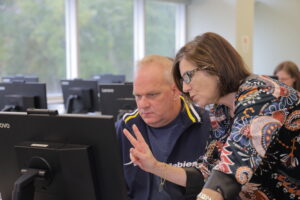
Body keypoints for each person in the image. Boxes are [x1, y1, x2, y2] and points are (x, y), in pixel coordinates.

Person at [123, 33, 300, 200]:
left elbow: (228, 176)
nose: (185, 88)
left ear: (214, 67)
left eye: (187, 77)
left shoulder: (263, 96)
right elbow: (206, 173)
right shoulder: (220, 109)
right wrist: (154, 166)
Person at [115, 54, 211, 200]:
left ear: (175, 91)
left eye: (152, 95)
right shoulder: (125, 127)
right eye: (138, 96)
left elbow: (217, 185)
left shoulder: (206, 125)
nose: (143, 105)